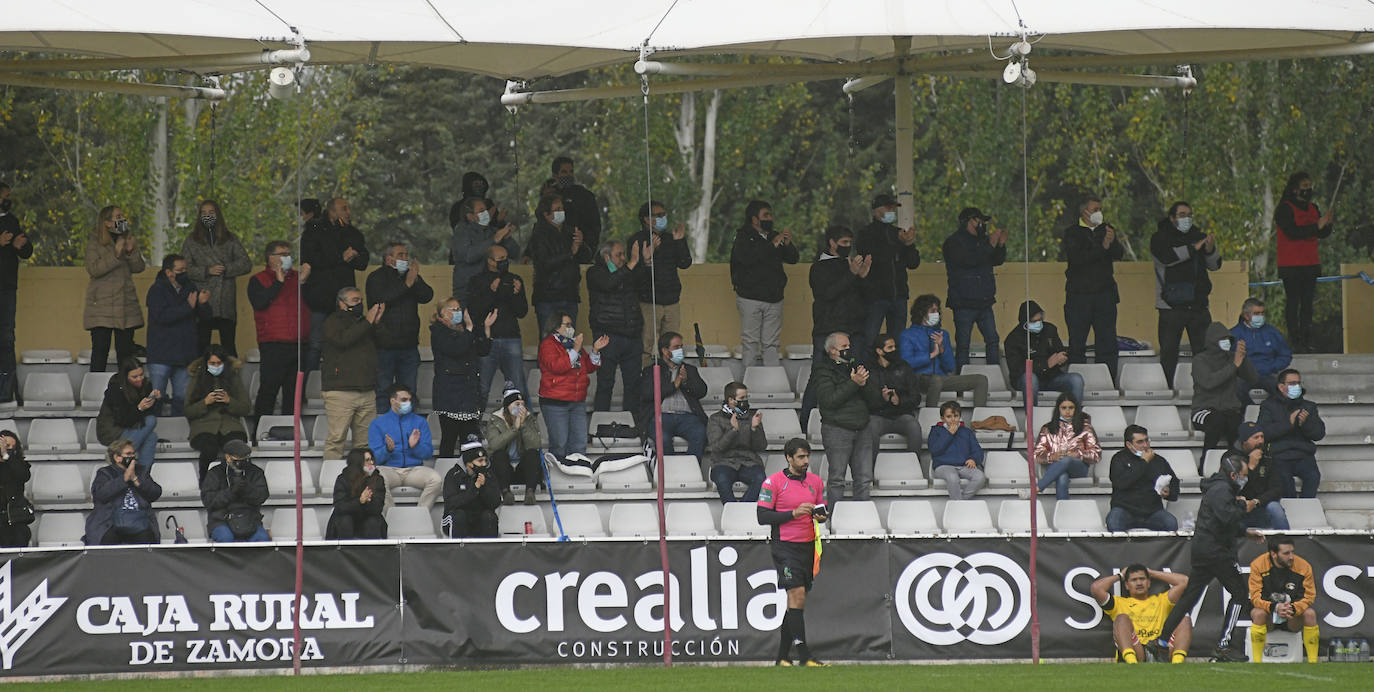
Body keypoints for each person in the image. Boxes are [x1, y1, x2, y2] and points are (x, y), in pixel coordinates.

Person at [1150, 454, 1262, 663]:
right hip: (1217, 551)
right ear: (1233, 474)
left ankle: (1162, 642)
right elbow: (1226, 517)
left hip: (1204, 549)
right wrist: (1243, 506)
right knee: (1239, 593)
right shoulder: (1222, 490)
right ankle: (1223, 646)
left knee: (1189, 598)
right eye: (1243, 475)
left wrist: (1244, 532)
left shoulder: (1216, 487)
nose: (1245, 480)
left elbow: (1219, 522)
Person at [756, 438, 828, 667]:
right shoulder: (773, 482)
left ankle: (782, 658)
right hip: (785, 546)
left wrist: (821, 516)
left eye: (807, 456)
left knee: (794, 602)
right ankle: (805, 655)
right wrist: (793, 513)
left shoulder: (815, 482)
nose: (806, 461)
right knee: (796, 596)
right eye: (801, 457)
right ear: (788, 458)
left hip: (808, 545)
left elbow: (822, 509)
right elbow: (762, 516)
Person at [802, 225, 870, 429]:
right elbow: (827, 294)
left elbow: (864, 297)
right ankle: (805, 423)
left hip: (854, 330)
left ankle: (854, 420)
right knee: (819, 376)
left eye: (850, 243)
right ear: (831, 242)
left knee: (856, 374)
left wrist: (863, 277)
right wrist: (850, 274)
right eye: (844, 243)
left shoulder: (850, 265)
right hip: (827, 330)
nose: (848, 247)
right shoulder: (818, 268)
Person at [1151, 201, 1222, 388]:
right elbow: (1167, 259)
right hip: (1170, 306)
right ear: (1172, 218)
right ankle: (1166, 389)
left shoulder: (1198, 236)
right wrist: (1193, 248)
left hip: (1198, 306)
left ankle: (1205, 389)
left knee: (1204, 354)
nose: (1187, 218)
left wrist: (1210, 250)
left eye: (1189, 214)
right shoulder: (1159, 238)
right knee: (1168, 352)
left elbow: (1214, 265)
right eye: (1182, 215)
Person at [300, 197, 369, 372]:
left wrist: (354, 257)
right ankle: (307, 388)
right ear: (332, 212)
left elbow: (363, 261)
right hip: (319, 298)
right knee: (315, 344)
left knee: (347, 341)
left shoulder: (352, 232)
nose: (349, 212)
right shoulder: (314, 229)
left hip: (343, 299)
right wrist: (341, 258)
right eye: (344, 208)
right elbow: (310, 258)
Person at [1061, 195, 1125, 384]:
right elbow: (1078, 258)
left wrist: (1111, 242)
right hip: (1079, 296)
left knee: (1107, 342)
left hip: (1105, 295)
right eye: (1095, 209)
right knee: (1077, 343)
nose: (1099, 212)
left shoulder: (1106, 229)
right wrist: (1102, 246)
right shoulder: (1072, 233)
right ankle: (1076, 383)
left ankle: (1107, 382)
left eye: (1100, 209)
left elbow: (1119, 254)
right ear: (1084, 212)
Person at [366, 241, 435, 413]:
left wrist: (415, 280)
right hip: (384, 345)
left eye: (406, 255)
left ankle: (408, 430)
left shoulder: (410, 277)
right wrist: (407, 285)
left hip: (409, 345)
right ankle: (384, 429)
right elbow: (381, 298)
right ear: (389, 259)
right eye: (400, 255)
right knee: (383, 390)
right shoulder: (376, 277)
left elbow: (427, 295)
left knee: (409, 390)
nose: (406, 258)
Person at [814, 332, 882, 503]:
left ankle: (862, 520)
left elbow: (874, 399)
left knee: (864, 479)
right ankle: (835, 520)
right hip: (837, 429)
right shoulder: (822, 370)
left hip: (862, 427)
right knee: (837, 479)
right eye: (844, 347)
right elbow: (829, 400)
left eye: (849, 346)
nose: (848, 350)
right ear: (832, 351)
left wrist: (863, 384)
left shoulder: (856, 367)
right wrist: (854, 383)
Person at [730, 200, 799, 366]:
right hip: (750, 298)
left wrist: (787, 245)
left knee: (771, 344)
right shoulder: (742, 237)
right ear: (754, 219)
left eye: (770, 214)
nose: (770, 218)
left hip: (774, 298)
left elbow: (793, 259)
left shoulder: (773, 235)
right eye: (766, 215)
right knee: (750, 343)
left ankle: (772, 382)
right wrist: (772, 245)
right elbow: (748, 258)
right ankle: (747, 384)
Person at [180, 199, 251, 356]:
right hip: (203, 300)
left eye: (211, 213)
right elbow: (184, 269)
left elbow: (246, 263)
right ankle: (201, 379)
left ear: (218, 215)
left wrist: (226, 269)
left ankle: (231, 379)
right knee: (201, 346)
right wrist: (207, 271)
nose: (207, 216)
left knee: (229, 347)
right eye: (203, 213)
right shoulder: (191, 241)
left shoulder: (230, 238)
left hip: (225, 301)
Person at [1273, 171, 1335, 352]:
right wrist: (1317, 225)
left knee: (1308, 304)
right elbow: (1292, 232)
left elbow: (1322, 233)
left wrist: (1327, 224)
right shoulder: (1284, 209)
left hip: (1310, 263)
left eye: (1310, 186)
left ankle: (1307, 340)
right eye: (1304, 187)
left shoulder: (1313, 208)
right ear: (1294, 189)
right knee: (1293, 302)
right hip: (1290, 265)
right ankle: (1295, 340)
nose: (1308, 190)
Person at [248, 241, 311, 416]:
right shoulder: (258, 280)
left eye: (289, 254)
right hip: (273, 344)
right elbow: (259, 303)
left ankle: (291, 433)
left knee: (294, 393)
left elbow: (314, 303)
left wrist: (304, 282)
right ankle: (260, 433)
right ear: (270, 258)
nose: (287, 258)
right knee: (269, 389)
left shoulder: (299, 278)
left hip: (299, 343)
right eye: (282, 254)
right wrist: (278, 282)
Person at [321, 287, 384, 461]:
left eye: (361, 300)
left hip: (367, 390)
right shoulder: (332, 321)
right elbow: (343, 340)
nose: (360, 304)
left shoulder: (364, 322)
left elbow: (383, 342)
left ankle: (362, 480)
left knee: (365, 444)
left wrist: (376, 323)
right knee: (336, 440)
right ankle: (331, 480)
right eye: (355, 300)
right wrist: (368, 322)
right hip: (340, 391)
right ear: (342, 303)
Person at [145, 254, 210, 416]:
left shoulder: (191, 287)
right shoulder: (156, 290)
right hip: (161, 354)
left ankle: (178, 433)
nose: (184, 273)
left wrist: (202, 304)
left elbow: (205, 317)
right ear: (168, 272)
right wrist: (188, 307)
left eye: (185, 269)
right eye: (180, 270)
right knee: (156, 398)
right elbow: (162, 316)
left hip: (185, 354)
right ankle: (154, 432)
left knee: (182, 398)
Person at [943, 207, 1008, 368]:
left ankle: (993, 377)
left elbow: (997, 260)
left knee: (993, 340)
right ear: (966, 221)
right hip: (963, 302)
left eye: (983, 221)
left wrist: (1000, 245)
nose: (982, 224)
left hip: (985, 302)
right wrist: (991, 245)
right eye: (978, 221)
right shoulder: (953, 242)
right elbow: (969, 260)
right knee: (963, 344)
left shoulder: (984, 240)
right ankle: (962, 384)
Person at [84, 205, 146, 373]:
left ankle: (125, 391)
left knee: (126, 353)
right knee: (100, 351)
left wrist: (131, 251)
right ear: (107, 223)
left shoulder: (127, 239)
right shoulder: (94, 243)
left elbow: (139, 267)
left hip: (125, 305)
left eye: (122, 216)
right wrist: (116, 254)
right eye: (118, 217)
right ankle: (95, 393)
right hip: (102, 307)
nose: (122, 220)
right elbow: (94, 269)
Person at [431, 297, 495, 457]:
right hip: (450, 395)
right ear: (443, 313)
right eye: (454, 309)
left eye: (459, 309)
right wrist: (469, 328)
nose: (459, 312)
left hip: (469, 395)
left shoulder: (464, 331)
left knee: (472, 441)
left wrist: (487, 329)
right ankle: (448, 475)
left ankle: (474, 476)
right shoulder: (438, 331)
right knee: (449, 439)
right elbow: (456, 349)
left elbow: (482, 350)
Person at [538, 311, 607, 461]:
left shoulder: (571, 343)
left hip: (577, 401)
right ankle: (558, 478)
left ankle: (578, 476)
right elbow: (557, 367)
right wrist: (575, 349)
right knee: (559, 445)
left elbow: (588, 367)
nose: (571, 328)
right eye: (567, 325)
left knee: (579, 444)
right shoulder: (548, 344)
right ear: (556, 327)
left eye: (571, 324)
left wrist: (595, 350)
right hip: (556, 402)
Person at [630, 200, 693, 362]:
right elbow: (633, 273)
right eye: (658, 215)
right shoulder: (638, 240)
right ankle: (644, 378)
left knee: (672, 346)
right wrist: (648, 258)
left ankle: (669, 381)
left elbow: (685, 263)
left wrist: (680, 241)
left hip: (672, 300)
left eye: (664, 215)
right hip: (648, 302)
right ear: (646, 219)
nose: (662, 218)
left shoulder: (670, 238)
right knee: (646, 344)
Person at [586, 240, 645, 412]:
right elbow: (608, 284)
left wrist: (645, 262)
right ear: (606, 257)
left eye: (623, 255)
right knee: (605, 383)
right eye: (618, 255)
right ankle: (600, 425)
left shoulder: (626, 273)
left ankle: (632, 425)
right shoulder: (595, 272)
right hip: (608, 335)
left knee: (634, 384)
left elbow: (644, 285)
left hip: (632, 335)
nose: (623, 258)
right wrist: (632, 264)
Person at [899, 294, 989, 407]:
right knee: (936, 380)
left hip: (941, 378)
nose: (936, 314)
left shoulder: (942, 334)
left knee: (981, 380)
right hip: (917, 379)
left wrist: (942, 350)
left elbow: (950, 367)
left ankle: (978, 420)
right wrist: (931, 355)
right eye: (932, 310)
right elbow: (906, 363)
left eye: (937, 310)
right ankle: (930, 417)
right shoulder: (907, 335)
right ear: (921, 312)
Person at [1090, 565, 1192, 663]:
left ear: (1148, 583)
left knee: (1184, 618)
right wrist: (1120, 575)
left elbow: (1184, 582)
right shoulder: (1119, 603)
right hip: (1137, 650)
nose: (1139, 583)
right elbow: (1096, 588)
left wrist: (1152, 573)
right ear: (1126, 585)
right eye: (1134, 580)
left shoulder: (1162, 600)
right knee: (1121, 618)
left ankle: (1177, 664)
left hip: (1160, 650)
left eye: (1142, 579)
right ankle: (1132, 664)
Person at [855, 193, 920, 347]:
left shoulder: (898, 233)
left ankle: (894, 370)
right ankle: (867, 370)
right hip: (875, 297)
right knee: (869, 338)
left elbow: (913, 263)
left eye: (893, 208)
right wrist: (899, 244)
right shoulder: (865, 234)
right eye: (888, 207)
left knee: (896, 342)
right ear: (877, 210)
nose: (892, 211)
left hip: (899, 296)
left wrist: (909, 244)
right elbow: (876, 256)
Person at [468, 244, 530, 403]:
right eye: (500, 259)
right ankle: (473, 423)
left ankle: (523, 424)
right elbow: (475, 311)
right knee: (481, 387)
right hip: (487, 340)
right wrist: (491, 292)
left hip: (511, 337)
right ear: (489, 261)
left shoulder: (514, 279)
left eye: (506, 258)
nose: (505, 261)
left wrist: (516, 294)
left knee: (518, 387)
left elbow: (522, 312)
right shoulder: (476, 281)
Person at [368, 384, 440, 513]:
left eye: (409, 400)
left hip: (414, 470)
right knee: (376, 478)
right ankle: (392, 517)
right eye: (404, 400)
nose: (408, 403)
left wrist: (415, 446)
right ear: (392, 401)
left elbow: (428, 453)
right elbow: (374, 459)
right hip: (389, 469)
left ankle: (420, 515)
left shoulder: (420, 422)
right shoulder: (377, 424)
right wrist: (387, 450)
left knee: (436, 479)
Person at [638, 331, 708, 460]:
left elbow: (702, 391)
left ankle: (690, 471)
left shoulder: (689, 369)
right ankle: (670, 474)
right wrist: (673, 386)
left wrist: (686, 381)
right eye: (676, 347)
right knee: (662, 438)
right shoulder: (653, 370)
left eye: (681, 347)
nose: (680, 350)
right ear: (665, 351)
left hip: (687, 418)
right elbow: (646, 394)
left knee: (700, 433)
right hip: (661, 417)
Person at [1248, 537, 1320, 663]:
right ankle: (1257, 663)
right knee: (1258, 613)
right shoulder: (1258, 565)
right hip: (1269, 614)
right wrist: (1275, 607)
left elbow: (1309, 596)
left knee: (1310, 614)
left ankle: (1313, 662)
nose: (1291, 556)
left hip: (1292, 616)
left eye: (1292, 552)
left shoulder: (1304, 566)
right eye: (1286, 553)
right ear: (1273, 554)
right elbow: (1255, 597)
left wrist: (1293, 608)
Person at [184, 345, 250, 480]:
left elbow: (246, 408)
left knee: (237, 448)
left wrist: (229, 401)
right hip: (203, 428)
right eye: (212, 363)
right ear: (206, 363)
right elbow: (188, 411)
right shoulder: (197, 378)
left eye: (219, 363)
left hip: (230, 426)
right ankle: (205, 485)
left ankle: (239, 484)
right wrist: (205, 402)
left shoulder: (233, 377)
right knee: (209, 449)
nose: (216, 366)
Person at [1257, 368, 1326, 498]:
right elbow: (1263, 432)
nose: (1297, 386)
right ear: (1281, 387)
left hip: (1303, 454)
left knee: (1313, 476)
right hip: (1279, 455)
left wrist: (1304, 423)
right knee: (1284, 481)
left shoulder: (1309, 406)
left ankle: (1306, 507)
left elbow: (1319, 434)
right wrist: (1289, 423)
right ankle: (1292, 510)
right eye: (1292, 383)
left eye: (1298, 383)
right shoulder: (1268, 406)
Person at [529, 193, 592, 332]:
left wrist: (581, 243)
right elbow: (543, 264)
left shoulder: (569, 231)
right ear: (546, 214)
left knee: (569, 341)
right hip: (548, 297)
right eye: (557, 209)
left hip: (569, 295)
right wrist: (570, 253)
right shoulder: (539, 234)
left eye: (562, 208)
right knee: (550, 341)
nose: (561, 212)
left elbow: (586, 257)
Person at [1003, 300, 1084, 407]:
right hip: (1026, 380)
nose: (1038, 324)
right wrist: (1046, 365)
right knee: (1031, 379)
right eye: (1034, 321)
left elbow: (1060, 351)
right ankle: (1033, 420)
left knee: (1076, 379)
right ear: (1025, 322)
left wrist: (1062, 358)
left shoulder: (1050, 329)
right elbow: (1017, 369)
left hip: (1052, 377)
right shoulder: (1013, 339)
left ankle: (1075, 419)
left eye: (1040, 319)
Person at [1191, 322, 1258, 450]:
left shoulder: (1233, 358)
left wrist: (1243, 357)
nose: (1227, 342)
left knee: (1235, 424)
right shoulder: (1200, 360)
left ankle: (1235, 462)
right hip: (1203, 410)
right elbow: (1209, 382)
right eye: (1222, 339)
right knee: (1217, 421)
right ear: (1212, 341)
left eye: (1228, 339)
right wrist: (1234, 365)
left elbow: (1253, 378)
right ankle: (1205, 462)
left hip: (1229, 410)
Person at [84, 438, 162, 545]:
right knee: (108, 539)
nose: (132, 457)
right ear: (117, 457)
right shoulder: (105, 473)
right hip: (110, 523)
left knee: (147, 540)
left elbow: (155, 493)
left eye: (133, 454)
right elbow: (100, 495)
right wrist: (123, 479)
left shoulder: (141, 471)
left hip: (139, 522)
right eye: (128, 454)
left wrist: (135, 479)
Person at [1105, 425, 1180, 532]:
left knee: (1171, 523)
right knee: (1113, 522)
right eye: (1140, 442)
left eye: (1147, 440)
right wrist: (1144, 462)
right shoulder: (1118, 459)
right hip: (1124, 510)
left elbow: (1174, 482)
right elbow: (1121, 483)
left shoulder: (1158, 460)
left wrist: (1169, 492)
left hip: (1152, 511)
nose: (1145, 445)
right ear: (1129, 445)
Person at [706, 382, 767, 503]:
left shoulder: (752, 417)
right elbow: (716, 447)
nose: (746, 401)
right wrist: (733, 430)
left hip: (748, 462)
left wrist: (755, 428)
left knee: (761, 479)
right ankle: (732, 511)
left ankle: (740, 511)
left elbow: (761, 446)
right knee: (721, 479)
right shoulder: (715, 419)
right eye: (742, 398)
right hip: (723, 462)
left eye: (746, 397)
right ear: (731, 400)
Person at [1032, 393, 1101, 500]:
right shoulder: (1047, 428)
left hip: (1078, 467)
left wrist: (1077, 454)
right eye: (1064, 408)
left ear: (1076, 409)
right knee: (1062, 477)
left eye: (1071, 408)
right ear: (1058, 409)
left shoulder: (1086, 428)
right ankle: (1063, 511)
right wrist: (1052, 456)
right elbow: (1037, 454)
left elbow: (1096, 454)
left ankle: (1036, 489)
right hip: (1054, 466)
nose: (1067, 411)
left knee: (1066, 460)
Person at [200, 438, 270, 543]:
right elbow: (208, 501)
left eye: (245, 458)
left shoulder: (255, 472)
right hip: (221, 520)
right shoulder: (215, 473)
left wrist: (247, 489)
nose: (242, 461)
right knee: (225, 538)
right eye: (238, 458)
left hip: (250, 520)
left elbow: (262, 496)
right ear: (227, 457)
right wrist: (231, 492)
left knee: (262, 539)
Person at [451, 197, 519, 302]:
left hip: (494, 290)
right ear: (470, 216)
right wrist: (494, 239)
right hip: (468, 293)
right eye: (481, 211)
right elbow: (468, 256)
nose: (486, 213)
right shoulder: (462, 231)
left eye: (486, 210)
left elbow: (515, 253)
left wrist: (506, 238)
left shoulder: (492, 231)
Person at [95, 357, 160, 468]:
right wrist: (139, 408)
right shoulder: (115, 389)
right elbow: (122, 419)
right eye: (134, 377)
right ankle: (118, 456)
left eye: (141, 375)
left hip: (134, 427)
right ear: (125, 376)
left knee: (152, 436)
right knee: (151, 421)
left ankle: (142, 476)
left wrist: (155, 401)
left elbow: (151, 412)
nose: (139, 379)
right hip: (112, 430)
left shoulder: (146, 384)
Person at [0, 183, 32, 402]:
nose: (7, 200)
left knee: (6, 338)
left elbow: (27, 251)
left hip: (7, 287)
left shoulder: (11, 220)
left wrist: (22, 245)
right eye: (5, 196)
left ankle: (8, 391)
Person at [484, 387, 543, 505]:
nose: (520, 407)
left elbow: (536, 444)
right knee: (499, 455)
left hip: (523, 469)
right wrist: (514, 429)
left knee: (533, 454)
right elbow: (495, 445)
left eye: (522, 404)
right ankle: (506, 493)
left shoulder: (529, 418)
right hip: (502, 471)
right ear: (508, 406)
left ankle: (530, 492)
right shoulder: (495, 419)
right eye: (517, 404)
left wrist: (524, 425)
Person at [865, 333, 923, 453]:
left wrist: (899, 401)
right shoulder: (869, 370)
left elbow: (916, 397)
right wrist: (883, 399)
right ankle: (870, 469)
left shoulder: (904, 367)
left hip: (901, 415)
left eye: (895, 347)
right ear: (879, 351)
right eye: (890, 348)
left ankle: (914, 465)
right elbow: (865, 399)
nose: (894, 350)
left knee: (914, 426)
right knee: (870, 427)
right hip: (878, 415)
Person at [1230, 298, 1291, 405]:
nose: (1260, 316)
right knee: (1234, 390)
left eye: (1262, 313)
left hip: (1268, 374)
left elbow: (1285, 355)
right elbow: (1224, 357)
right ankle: (1237, 420)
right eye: (1256, 313)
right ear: (1246, 315)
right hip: (1243, 376)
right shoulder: (1233, 334)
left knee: (1283, 391)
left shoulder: (1272, 332)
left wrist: (1272, 367)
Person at [1232, 422, 1290, 529]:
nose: (1261, 441)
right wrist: (1250, 467)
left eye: (1262, 437)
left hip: (1261, 508)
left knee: (1275, 507)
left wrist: (1256, 502)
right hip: (1238, 511)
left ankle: (1285, 543)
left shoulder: (1268, 458)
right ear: (1244, 441)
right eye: (1256, 437)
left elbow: (1277, 489)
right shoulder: (1231, 458)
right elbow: (1231, 488)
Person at [324, 446, 388, 540]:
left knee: (373, 521)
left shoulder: (378, 479)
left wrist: (368, 501)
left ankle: (373, 553)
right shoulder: (343, 479)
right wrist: (360, 501)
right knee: (345, 520)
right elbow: (340, 506)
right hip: (346, 521)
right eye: (367, 460)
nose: (372, 463)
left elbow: (378, 508)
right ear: (358, 462)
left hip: (367, 520)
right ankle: (343, 553)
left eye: (372, 459)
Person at [442, 439, 501, 538]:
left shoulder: (489, 475)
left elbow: (495, 503)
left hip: (479, 518)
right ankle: (458, 551)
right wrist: (474, 489)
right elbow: (451, 503)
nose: (483, 464)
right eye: (480, 461)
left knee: (489, 516)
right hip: (457, 518)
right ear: (468, 463)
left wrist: (484, 487)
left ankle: (489, 552)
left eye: (485, 460)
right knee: (459, 516)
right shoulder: (453, 475)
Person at [928, 401, 986, 500]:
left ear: (960, 417)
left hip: (964, 466)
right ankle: (959, 505)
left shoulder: (966, 432)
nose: (953, 419)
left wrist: (973, 459)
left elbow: (978, 450)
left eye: (956, 416)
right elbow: (934, 450)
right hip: (943, 466)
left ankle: (959, 502)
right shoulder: (936, 431)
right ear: (943, 418)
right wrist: (949, 434)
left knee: (980, 477)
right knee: (953, 477)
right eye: (949, 416)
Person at [552, 155, 603, 254]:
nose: (568, 175)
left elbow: (595, 225)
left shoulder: (584, 196)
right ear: (555, 175)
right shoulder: (549, 196)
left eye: (571, 171)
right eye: (564, 172)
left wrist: (588, 244)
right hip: (554, 251)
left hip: (581, 249)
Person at [0, 430, 31, 547]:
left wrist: (6, 456)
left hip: (15, 519)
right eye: (6, 446)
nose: (10, 449)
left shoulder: (20, 465)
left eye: (13, 447)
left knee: (21, 535)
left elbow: (23, 476)